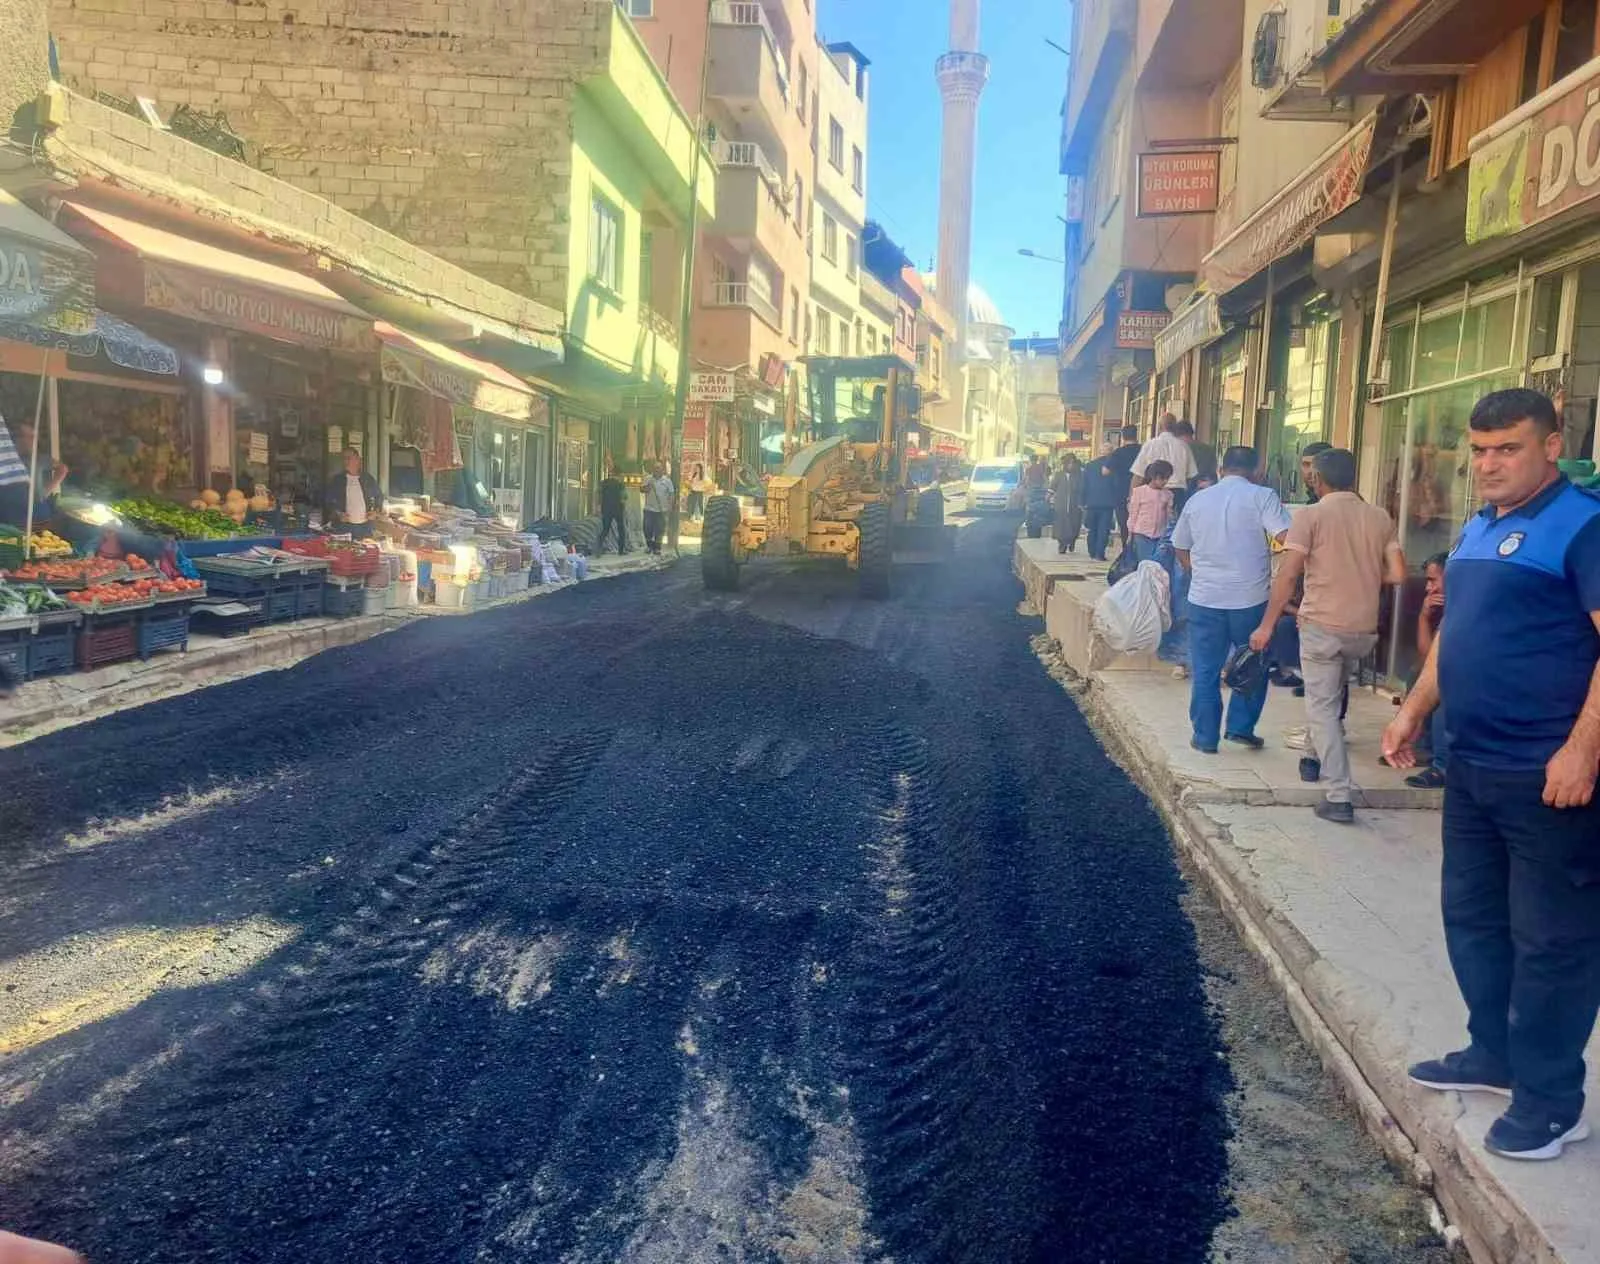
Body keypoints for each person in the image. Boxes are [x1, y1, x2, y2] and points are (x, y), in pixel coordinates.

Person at [1383, 387, 1600, 1162]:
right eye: (1479, 451)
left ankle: (1551, 1101)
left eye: (1507, 448)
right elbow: (1456, 638)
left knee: (1554, 941)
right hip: (1471, 766)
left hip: (1547, 775)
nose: (1488, 464)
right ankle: (1493, 1053)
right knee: (1473, 919)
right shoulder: (1480, 528)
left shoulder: (1584, 526)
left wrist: (1582, 750)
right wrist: (1414, 709)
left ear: (1549, 444)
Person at [1250, 449, 1405, 824]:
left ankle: (1338, 795)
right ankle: (1314, 757)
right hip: (1363, 631)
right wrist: (1364, 579)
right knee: (1332, 701)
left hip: (1322, 626)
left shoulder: (1311, 516)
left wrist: (1267, 624)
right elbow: (1398, 574)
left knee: (1321, 711)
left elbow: (1287, 576)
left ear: (1317, 479)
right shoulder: (1379, 517)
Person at [1174, 445, 1293, 755]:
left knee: (1205, 670)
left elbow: (1180, 546)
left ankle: (1204, 737)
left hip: (1204, 597)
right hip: (1249, 598)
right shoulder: (1263, 496)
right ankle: (1240, 728)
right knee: (1253, 663)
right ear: (1257, 470)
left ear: (1221, 469)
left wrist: (1197, 571)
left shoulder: (1197, 499)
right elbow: (1286, 538)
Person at [1404, 552, 1451, 789]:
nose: (1428, 587)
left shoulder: (1464, 603)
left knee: (1445, 691)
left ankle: (1443, 767)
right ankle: (1424, 746)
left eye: (1433, 580)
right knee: (1417, 673)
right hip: (1447, 667)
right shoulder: (1439, 608)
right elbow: (1427, 657)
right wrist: (1424, 617)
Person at [0, 419, 67, 530]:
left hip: (37, 513)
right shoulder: (6, 459)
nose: (34, 441)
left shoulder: (38, 458)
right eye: (29, 437)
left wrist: (45, 492)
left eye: (35, 437)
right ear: (16, 439)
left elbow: (62, 469)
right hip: (10, 516)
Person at [1133, 415, 1200, 507]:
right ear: (1175, 427)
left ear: (1159, 427)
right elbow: (1191, 475)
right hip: (1177, 492)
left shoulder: (1149, 445)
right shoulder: (1184, 447)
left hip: (1153, 491)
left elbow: (1138, 475)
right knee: (1174, 520)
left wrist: (1132, 498)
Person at [323, 447, 381, 538]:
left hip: (365, 526)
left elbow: (379, 497)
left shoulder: (367, 478)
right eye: (344, 458)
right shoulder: (337, 480)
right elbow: (328, 501)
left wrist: (375, 512)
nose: (346, 461)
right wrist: (338, 513)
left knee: (366, 549)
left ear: (358, 459)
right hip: (344, 526)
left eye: (349, 458)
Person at [1126, 459, 1174, 564]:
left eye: (1167, 478)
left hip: (1160, 535)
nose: (1165, 481)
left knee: (1157, 564)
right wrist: (1130, 534)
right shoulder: (1139, 492)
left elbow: (1168, 516)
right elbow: (1133, 514)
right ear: (1153, 477)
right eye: (1162, 478)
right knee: (1145, 564)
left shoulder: (1168, 494)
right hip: (1142, 533)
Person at [1051, 454, 1084, 554]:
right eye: (1069, 463)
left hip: (1075, 505)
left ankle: (1072, 540)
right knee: (1061, 525)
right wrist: (1048, 499)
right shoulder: (1058, 475)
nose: (1071, 465)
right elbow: (1052, 487)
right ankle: (1062, 544)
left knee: (1074, 524)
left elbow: (1082, 490)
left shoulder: (1079, 476)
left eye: (1072, 463)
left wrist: (1082, 502)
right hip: (1061, 505)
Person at [641, 461, 674, 555]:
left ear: (662, 470)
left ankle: (657, 547)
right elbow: (642, 490)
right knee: (647, 528)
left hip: (662, 509)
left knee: (659, 529)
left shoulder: (667, 481)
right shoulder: (648, 479)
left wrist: (670, 506)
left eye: (658, 468)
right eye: (655, 468)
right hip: (649, 509)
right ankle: (649, 546)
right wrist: (648, 487)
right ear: (653, 470)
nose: (656, 470)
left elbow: (671, 494)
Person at [598, 469, 628, 554]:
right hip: (617, 509)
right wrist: (624, 507)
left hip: (606, 509)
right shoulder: (620, 485)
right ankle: (621, 550)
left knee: (605, 529)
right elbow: (624, 497)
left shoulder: (604, 483)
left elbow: (599, 494)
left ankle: (598, 547)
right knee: (621, 529)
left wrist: (598, 506)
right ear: (618, 475)